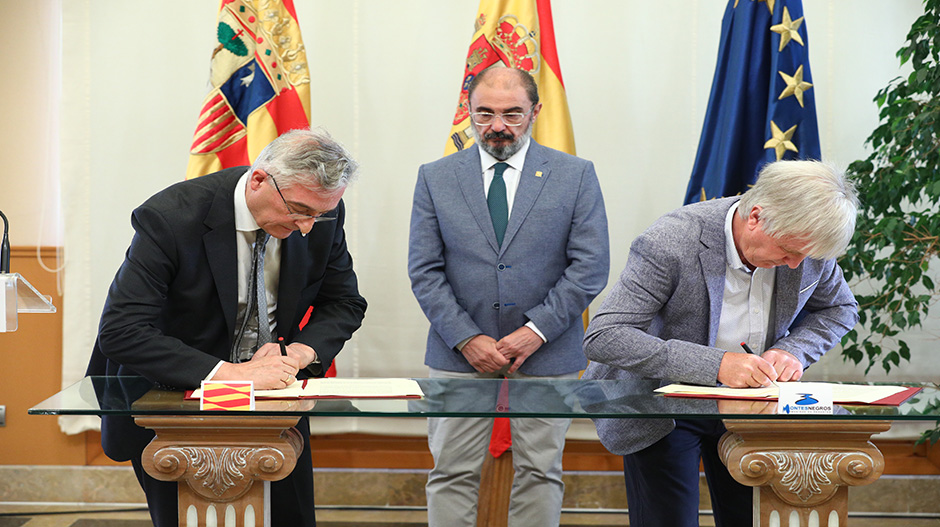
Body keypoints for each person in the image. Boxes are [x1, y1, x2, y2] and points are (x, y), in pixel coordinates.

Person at [86, 127, 367, 527]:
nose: (308, 226)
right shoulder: (171, 217)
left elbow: (344, 302)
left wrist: (299, 353)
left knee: (292, 516)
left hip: (272, 403)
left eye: (319, 215)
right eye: (301, 211)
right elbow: (121, 329)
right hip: (176, 401)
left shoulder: (322, 215)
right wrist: (232, 375)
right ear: (258, 180)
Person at [582, 159, 859, 527]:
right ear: (756, 217)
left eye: (805, 257)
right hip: (664, 402)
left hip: (753, 405)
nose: (796, 265)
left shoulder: (806, 249)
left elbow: (839, 308)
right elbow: (605, 336)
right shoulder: (671, 241)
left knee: (752, 519)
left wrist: (793, 350)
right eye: (788, 252)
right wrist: (716, 365)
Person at [408, 67, 609, 526]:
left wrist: (535, 332)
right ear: (470, 113)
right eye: (485, 113)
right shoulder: (435, 177)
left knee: (541, 471)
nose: (498, 125)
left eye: (512, 113)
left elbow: (589, 266)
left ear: (535, 112)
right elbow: (424, 270)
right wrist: (465, 338)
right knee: (450, 472)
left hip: (547, 351)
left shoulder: (575, 175)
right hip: (458, 353)